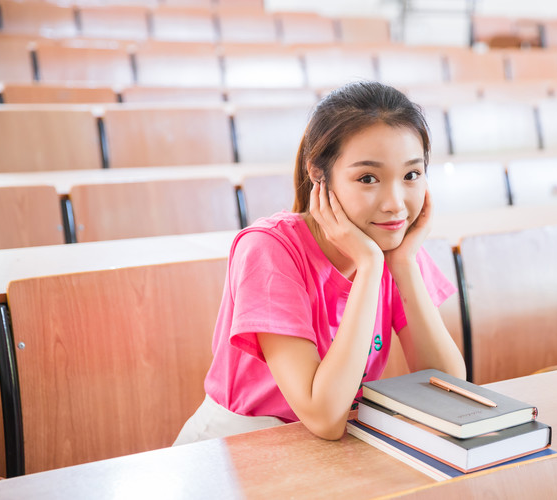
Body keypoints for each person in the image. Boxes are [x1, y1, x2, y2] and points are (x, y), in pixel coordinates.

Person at [174, 81, 466, 444]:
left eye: (411, 175)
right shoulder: (269, 249)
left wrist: (403, 264)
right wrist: (371, 267)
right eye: (368, 178)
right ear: (318, 174)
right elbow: (324, 416)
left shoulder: (393, 246)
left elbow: (449, 391)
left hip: (332, 451)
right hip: (238, 449)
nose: (395, 203)